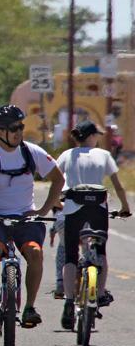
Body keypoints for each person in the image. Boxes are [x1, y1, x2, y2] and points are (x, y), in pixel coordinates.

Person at [0, 105, 65, 327]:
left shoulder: (31, 152)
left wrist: (42, 210)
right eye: (14, 128)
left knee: (34, 253)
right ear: (0, 132)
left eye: (21, 127)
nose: (19, 131)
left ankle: (30, 307)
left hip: (26, 217)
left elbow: (58, 179)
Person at [55, 120, 131, 329]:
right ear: (90, 136)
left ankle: (69, 301)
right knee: (101, 254)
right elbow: (117, 186)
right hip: (98, 208)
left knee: (70, 255)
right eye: (96, 134)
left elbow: (56, 181)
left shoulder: (67, 155)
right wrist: (125, 207)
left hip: (72, 207)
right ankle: (98, 296)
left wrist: (54, 203)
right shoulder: (104, 155)